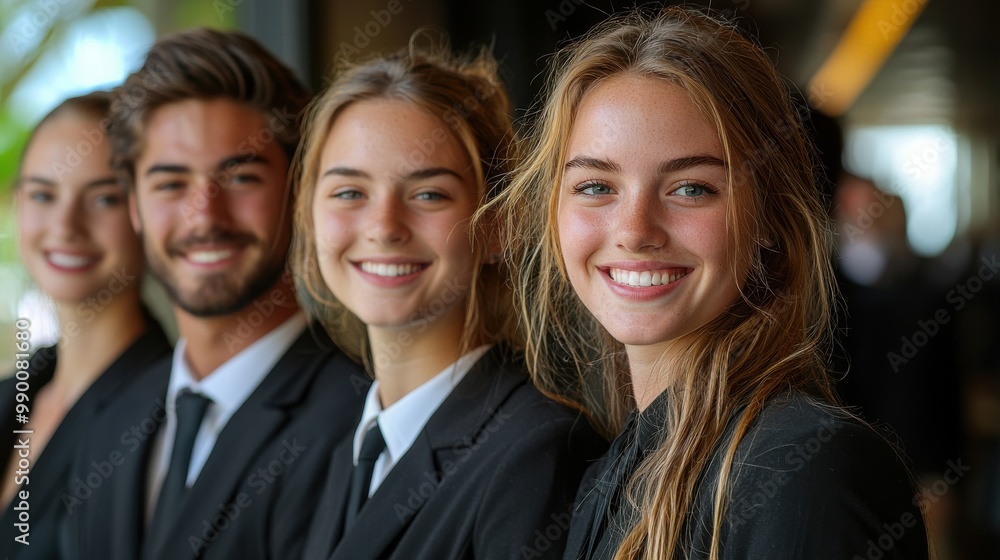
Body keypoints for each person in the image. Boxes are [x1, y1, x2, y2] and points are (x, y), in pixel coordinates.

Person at [493, 7, 930, 560]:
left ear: (770, 216)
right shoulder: (617, 466)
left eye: (691, 188)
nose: (634, 232)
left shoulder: (807, 471)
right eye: (596, 185)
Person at [291, 43, 607, 560]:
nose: (383, 228)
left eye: (428, 194)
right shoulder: (346, 440)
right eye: (349, 192)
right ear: (309, 216)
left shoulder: (535, 455)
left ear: (498, 224)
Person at [60, 29, 366, 560]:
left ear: (298, 191)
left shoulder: (359, 421)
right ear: (134, 205)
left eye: (241, 176)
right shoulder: (107, 419)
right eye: (171, 184)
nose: (205, 216)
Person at [1, 92, 171, 559]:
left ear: (145, 213)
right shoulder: (16, 392)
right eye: (42, 194)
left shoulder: (170, 413)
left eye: (103, 198)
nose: (65, 225)